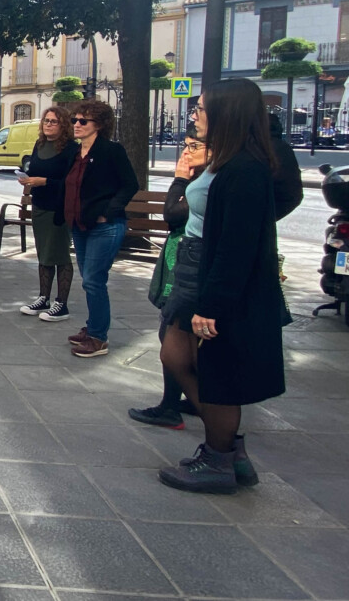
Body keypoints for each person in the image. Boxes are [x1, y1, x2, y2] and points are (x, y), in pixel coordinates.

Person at [158, 79, 285, 494]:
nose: (194, 116)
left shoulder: (245, 170)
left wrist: (211, 305)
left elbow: (236, 247)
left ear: (226, 114)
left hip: (216, 281)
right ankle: (228, 448)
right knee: (177, 354)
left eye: (201, 109)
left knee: (215, 370)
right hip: (198, 266)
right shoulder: (228, 162)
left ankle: (219, 457)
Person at [128, 125, 208, 429]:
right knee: (172, 332)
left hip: (193, 264)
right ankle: (173, 404)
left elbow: (173, 214)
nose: (186, 152)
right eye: (185, 145)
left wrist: (179, 178)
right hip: (182, 257)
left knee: (176, 338)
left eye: (195, 146)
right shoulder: (204, 179)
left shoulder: (206, 181)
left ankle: (218, 430)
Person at [64, 100, 139, 359]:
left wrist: (108, 212)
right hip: (81, 225)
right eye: (75, 119)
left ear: (100, 124)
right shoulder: (76, 152)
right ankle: (93, 327)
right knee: (88, 280)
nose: (76, 124)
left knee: (94, 281)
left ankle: (98, 338)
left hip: (104, 227)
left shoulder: (111, 151)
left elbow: (130, 184)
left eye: (83, 121)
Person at [17, 107, 80, 321]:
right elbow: (36, 169)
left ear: (63, 125)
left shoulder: (72, 149)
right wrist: (28, 179)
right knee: (44, 253)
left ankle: (61, 303)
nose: (49, 124)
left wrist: (44, 181)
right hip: (40, 204)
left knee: (60, 254)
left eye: (54, 121)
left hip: (59, 207)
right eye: (46, 120)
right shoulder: (40, 144)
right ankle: (43, 297)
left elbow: (71, 182)